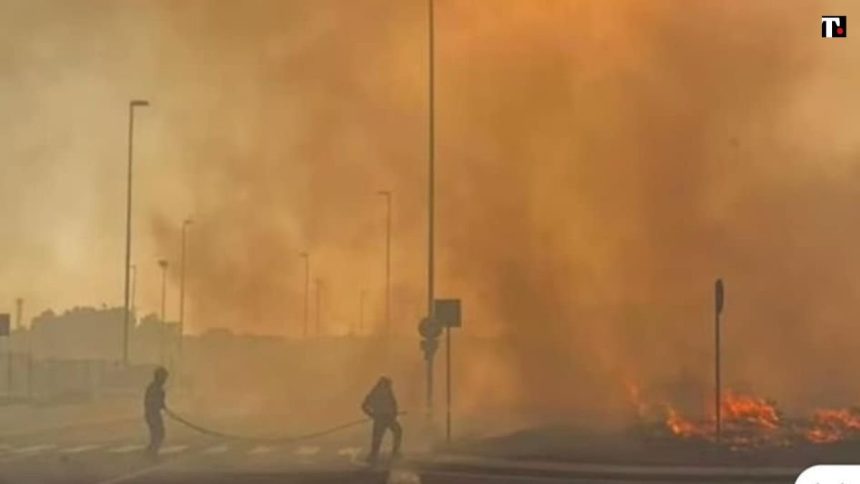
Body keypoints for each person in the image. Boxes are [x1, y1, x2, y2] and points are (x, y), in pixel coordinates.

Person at [361, 376, 402, 463]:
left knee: (398, 431)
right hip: (380, 419)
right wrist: (372, 414)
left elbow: (393, 405)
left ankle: (395, 452)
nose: (389, 386)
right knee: (377, 438)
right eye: (387, 384)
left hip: (388, 418)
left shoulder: (389, 393)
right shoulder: (375, 393)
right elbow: (364, 405)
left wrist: (394, 413)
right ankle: (373, 456)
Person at [144, 366, 169, 458]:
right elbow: (151, 402)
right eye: (164, 377)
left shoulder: (157, 388)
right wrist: (160, 406)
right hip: (152, 415)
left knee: (158, 434)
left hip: (153, 414)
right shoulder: (155, 388)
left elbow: (160, 402)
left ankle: (151, 452)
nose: (165, 380)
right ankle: (151, 452)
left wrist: (163, 406)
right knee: (158, 433)